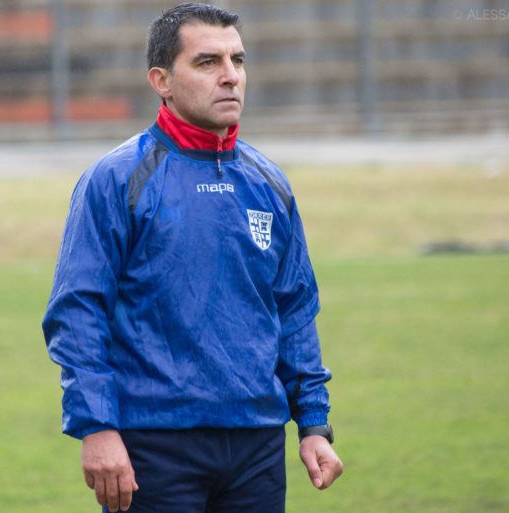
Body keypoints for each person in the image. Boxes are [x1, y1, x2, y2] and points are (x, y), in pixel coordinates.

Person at [42, 3, 343, 512]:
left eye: (237, 60)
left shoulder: (269, 182)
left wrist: (313, 423)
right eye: (208, 62)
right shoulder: (116, 180)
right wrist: (97, 428)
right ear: (161, 80)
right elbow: (78, 313)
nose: (230, 76)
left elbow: (294, 310)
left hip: (257, 445)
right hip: (153, 445)